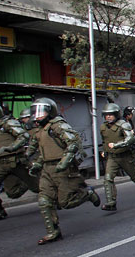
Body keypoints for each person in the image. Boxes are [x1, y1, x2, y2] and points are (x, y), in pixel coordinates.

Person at [28, 98, 100, 244]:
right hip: (47, 169)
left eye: (41, 112)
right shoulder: (40, 130)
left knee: (65, 202)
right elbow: (44, 152)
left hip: (62, 169)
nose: (38, 116)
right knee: (44, 200)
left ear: (50, 112)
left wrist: (65, 162)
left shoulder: (58, 125)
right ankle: (53, 232)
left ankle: (87, 194)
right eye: (36, 112)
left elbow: (73, 143)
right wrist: (38, 164)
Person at [0, 102, 40, 231]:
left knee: (37, 186)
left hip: (17, 161)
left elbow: (23, 136)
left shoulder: (6, 123)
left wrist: (12, 147)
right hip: (0, 164)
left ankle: (54, 199)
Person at [99, 103, 135, 211]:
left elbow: (130, 139)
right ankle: (111, 202)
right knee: (108, 178)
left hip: (125, 156)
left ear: (116, 114)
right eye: (106, 115)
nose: (108, 117)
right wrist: (105, 151)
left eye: (111, 114)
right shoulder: (103, 127)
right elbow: (105, 141)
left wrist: (116, 145)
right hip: (112, 157)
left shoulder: (123, 125)